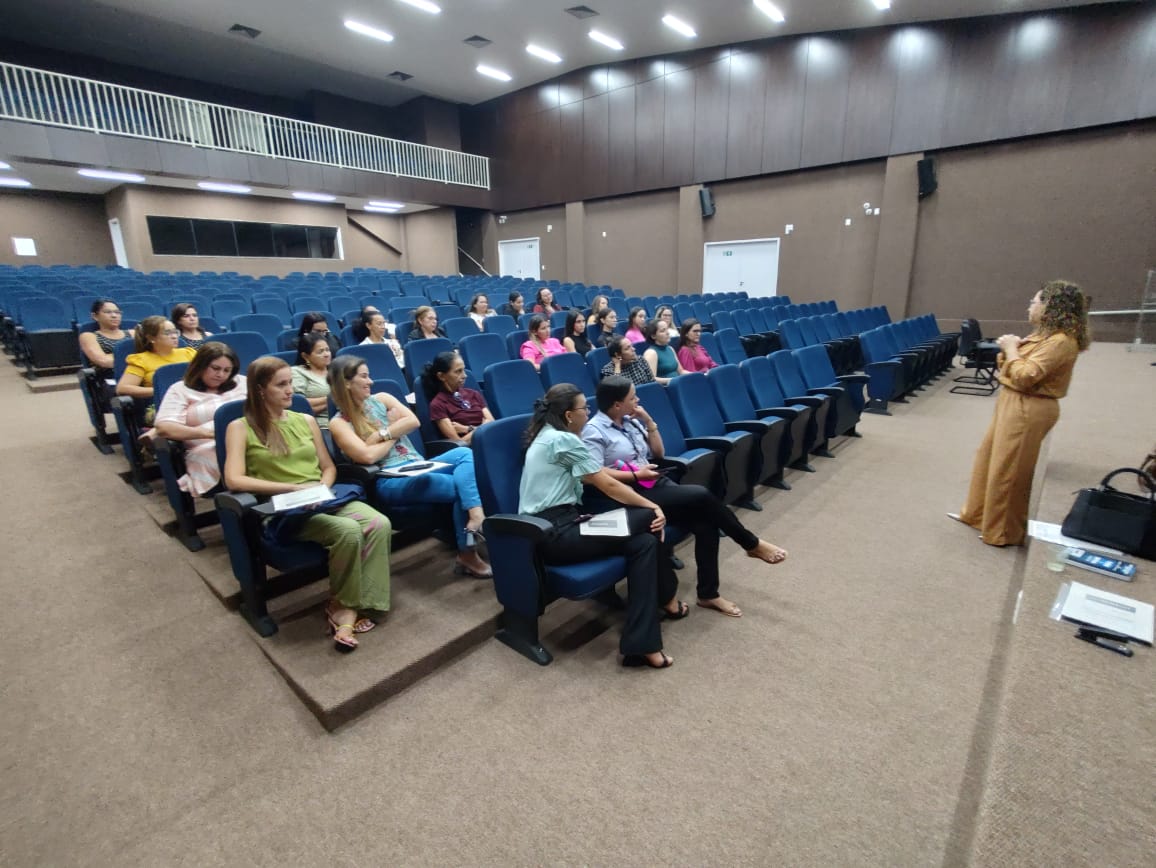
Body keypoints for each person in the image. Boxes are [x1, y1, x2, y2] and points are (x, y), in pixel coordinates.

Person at [224, 357, 392, 653]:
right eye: (282, 385)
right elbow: (234, 479)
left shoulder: (306, 420)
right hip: (282, 508)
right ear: (260, 389)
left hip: (321, 498)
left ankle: (370, 602)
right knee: (348, 531)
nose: (291, 391)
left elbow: (328, 467)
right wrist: (295, 489)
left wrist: (322, 489)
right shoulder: (240, 427)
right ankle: (343, 606)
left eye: (291, 382)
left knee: (379, 523)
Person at [583, 377, 789, 618]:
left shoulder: (631, 421)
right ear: (617, 404)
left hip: (654, 481)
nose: (638, 400)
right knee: (701, 495)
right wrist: (636, 475)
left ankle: (708, 594)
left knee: (706, 523)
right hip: (631, 492)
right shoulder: (594, 431)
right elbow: (593, 473)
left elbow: (658, 453)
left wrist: (649, 422)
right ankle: (751, 544)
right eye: (632, 398)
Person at [520, 384, 682, 669]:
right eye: (585, 408)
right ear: (570, 415)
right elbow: (607, 484)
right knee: (648, 517)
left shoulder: (549, 436)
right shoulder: (563, 440)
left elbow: (592, 477)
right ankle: (668, 596)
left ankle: (641, 644)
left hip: (566, 524)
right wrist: (652, 507)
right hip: (555, 533)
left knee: (643, 543)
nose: (589, 413)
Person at [952, 280, 1091, 547]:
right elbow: (1008, 367)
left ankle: (1003, 531)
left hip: (1030, 407)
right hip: (1012, 400)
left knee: (1010, 469)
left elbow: (1026, 376)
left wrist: (1012, 349)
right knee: (988, 457)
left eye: (1035, 301)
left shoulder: (1061, 342)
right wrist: (1010, 353)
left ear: (1052, 307)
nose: (1030, 305)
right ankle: (977, 514)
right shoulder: (1041, 337)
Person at [328, 356, 492, 579]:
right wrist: (395, 428)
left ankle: (475, 515)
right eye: (364, 377)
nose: (371, 381)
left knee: (464, 453)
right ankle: (468, 550)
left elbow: (413, 421)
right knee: (460, 485)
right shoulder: (339, 423)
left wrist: (380, 434)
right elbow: (367, 456)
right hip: (388, 479)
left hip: (418, 464)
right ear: (346, 383)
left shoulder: (382, 399)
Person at [154, 342, 247, 495]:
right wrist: (210, 433)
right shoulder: (180, 389)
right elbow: (164, 428)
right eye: (215, 368)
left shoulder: (242, 382)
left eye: (227, 370)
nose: (221, 375)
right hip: (209, 445)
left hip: (250, 437)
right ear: (200, 365)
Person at [116, 315, 197, 402]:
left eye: (175, 332)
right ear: (151, 338)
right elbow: (122, 388)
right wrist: (160, 390)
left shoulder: (189, 353)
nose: (174, 336)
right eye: (167, 333)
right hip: (162, 404)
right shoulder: (141, 360)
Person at [423, 351, 494, 446]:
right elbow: (459, 444)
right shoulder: (437, 404)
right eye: (458, 371)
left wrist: (467, 429)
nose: (465, 375)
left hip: (490, 441)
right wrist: (483, 427)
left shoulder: (473, 394)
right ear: (441, 376)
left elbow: (492, 423)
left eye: (463, 370)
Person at [79, 299, 133, 381]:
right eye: (108, 312)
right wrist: (137, 358)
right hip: (110, 377)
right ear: (95, 316)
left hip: (138, 374)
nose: (114, 315)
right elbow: (103, 361)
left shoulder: (133, 333)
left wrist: (113, 356)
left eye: (117, 312)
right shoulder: (89, 336)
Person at [292, 332, 334, 427]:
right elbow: (299, 406)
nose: (326, 354)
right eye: (320, 351)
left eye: (327, 350)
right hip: (322, 426)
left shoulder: (336, 370)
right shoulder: (297, 372)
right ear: (305, 356)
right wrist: (334, 398)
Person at [642, 318, 686, 385]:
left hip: (678, 384)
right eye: (663, 331)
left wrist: (699, 375)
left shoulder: (670, 348)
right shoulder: (651, 353)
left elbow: (681, 371)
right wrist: (674, 380)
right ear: (653, 336)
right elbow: (651, 379)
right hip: (666, 389)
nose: (667, 333)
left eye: (667, 329)